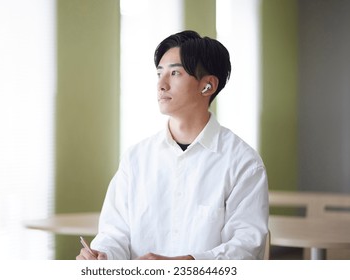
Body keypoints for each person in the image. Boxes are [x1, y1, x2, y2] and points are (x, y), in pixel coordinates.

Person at [76, 30, 269, 260]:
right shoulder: (135, 158)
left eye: (174, 73)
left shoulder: (243, 162)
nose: (161, 85)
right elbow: (115, 233)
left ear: (207, 86)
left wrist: (184, 265)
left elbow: (246, 248)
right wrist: (103, 255)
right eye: (159, 73)